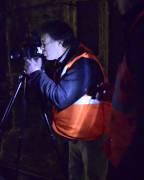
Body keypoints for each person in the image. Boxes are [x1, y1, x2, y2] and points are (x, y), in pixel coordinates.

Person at [24, 20, 110, 180]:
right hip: (76, 135)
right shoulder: (66, 60)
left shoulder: (83, 64)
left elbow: (60, 97)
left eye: (44, 43)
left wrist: (36, 74)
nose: (42, 49)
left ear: (61, 42)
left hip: (92, 138)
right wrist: (39, 71)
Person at [105, 0, 144, 179]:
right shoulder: (134, 30)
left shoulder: (139, 34)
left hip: (131, 158)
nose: (115, 3)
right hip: (124, 151)